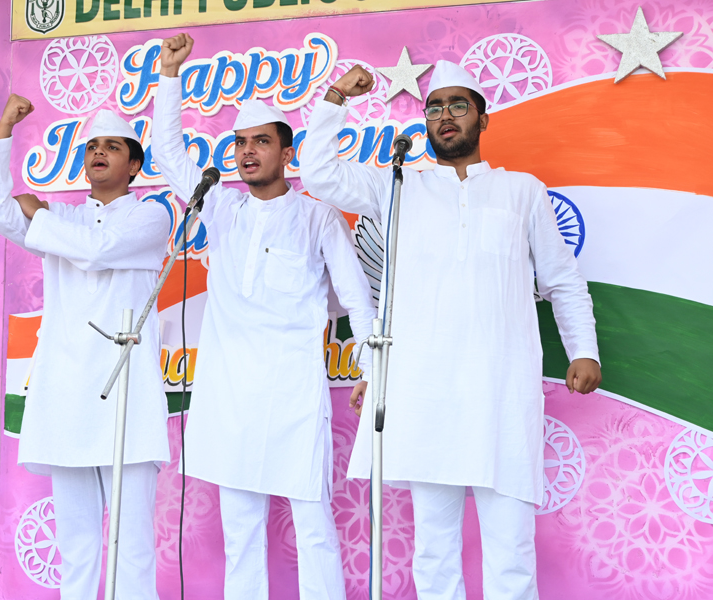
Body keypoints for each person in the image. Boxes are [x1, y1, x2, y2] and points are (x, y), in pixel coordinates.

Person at [300, 60, 602, 600]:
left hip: (501, 389)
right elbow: (319, 174)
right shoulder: (398, 187)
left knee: (511, 549)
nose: (445, 116)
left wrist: (584, 349)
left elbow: (562, 279)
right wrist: (336, 97)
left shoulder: (522, 191)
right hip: (427, 392)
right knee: (434, 551)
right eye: (435, 107)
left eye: (458, 105)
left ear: (482, 120)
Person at [152, 33, 376, 600]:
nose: (247, 151)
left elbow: (356, 299)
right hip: (229, 396)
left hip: (293, 394)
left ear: (287, 153)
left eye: (261, 141)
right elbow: (169, 155)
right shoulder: (222, 207)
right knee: (241, 533)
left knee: (314, 528)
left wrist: (374, 369)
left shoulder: (318, 218)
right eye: (239, 143)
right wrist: (169, 75)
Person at [0, 96, 170, 599]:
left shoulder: (150, 218)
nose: (98, 153)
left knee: (131, 545)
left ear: (135, 165)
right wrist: (4, 128)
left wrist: (38, 215)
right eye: (92, 146)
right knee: (77, 546)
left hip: (127, 394)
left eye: (112, 146)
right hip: (66, 394)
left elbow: (97, 251)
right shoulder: (63, 217)